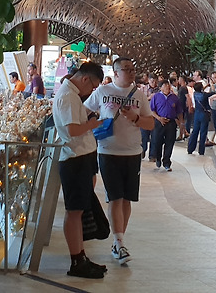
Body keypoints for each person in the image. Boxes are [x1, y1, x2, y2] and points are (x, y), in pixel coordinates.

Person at [83, 57, 154, 266]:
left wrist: (135, 118)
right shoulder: (103, 92)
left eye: (133, 69)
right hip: (108, 152)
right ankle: (119, 242)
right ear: (115, 73)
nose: (131, 73)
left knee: (126, 199)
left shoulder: (139, 95)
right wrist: (90, 126)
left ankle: (119, 240)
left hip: (132, 153)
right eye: (126, 69)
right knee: (115, 197)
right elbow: (83, 111)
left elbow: (150, 124)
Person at [52, 62, 107, 279]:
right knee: (74, 211)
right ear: (85, 79)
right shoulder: (67, 96)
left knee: (80, 210)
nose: (91, 91)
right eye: (92, 86)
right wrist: (92, 125)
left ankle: (81, 256)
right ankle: (76, 261)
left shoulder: (73, 95)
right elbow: (72, 130)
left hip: (82, 158)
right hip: (74, 159)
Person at [149, 79, 181, 171]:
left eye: (168, 85)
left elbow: (179, 111)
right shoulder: (156, 97)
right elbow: (152, 110)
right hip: (159, 122)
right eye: (165, 86)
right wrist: (159, 118)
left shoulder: (174, 97)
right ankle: (158, 158)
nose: (167, 87)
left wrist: (181, 123)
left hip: (171, 123)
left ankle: (167, 162)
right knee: (157, 141)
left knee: (170, 142)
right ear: (160, 88)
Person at [186, 83, 212, 156]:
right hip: (204, 114)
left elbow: (200, 90)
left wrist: (206, 86)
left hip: (197, 114)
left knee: (195, 131)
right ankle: (201, 150)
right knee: (203, 132)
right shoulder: (204, 95)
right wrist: (211, 85)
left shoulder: (195, 94)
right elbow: (213, 92)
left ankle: (190, 149)